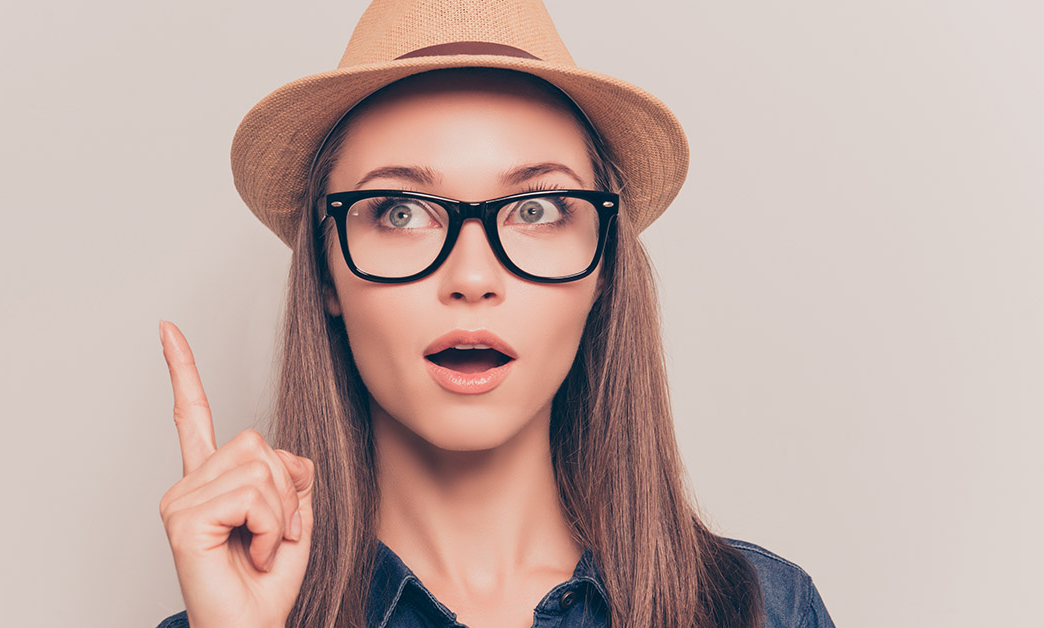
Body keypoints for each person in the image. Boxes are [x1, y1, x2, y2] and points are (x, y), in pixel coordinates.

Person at [155, 1, 835, 626]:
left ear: (604, 268)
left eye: (536, 210)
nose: (473, 278)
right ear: (326, 272)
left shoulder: (764, 611)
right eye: (400, 211)